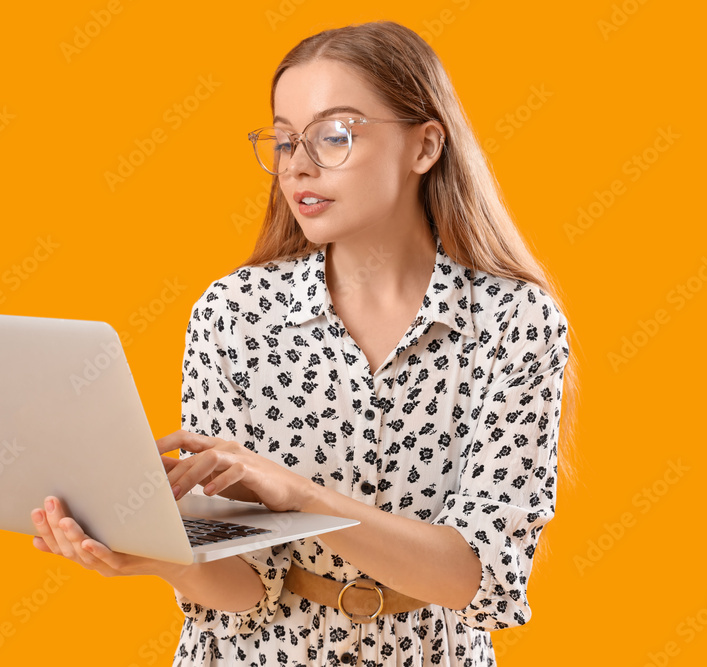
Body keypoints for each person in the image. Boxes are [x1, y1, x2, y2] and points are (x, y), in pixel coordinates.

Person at [29, 19, 578, 667]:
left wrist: (303, 496)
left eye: (334, 135)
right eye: (286, 140)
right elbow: (246, 586)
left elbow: (479, 578)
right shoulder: (234, 314)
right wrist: (157, 557)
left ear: (425, 146)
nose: (297, 166)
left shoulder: (514, 322)